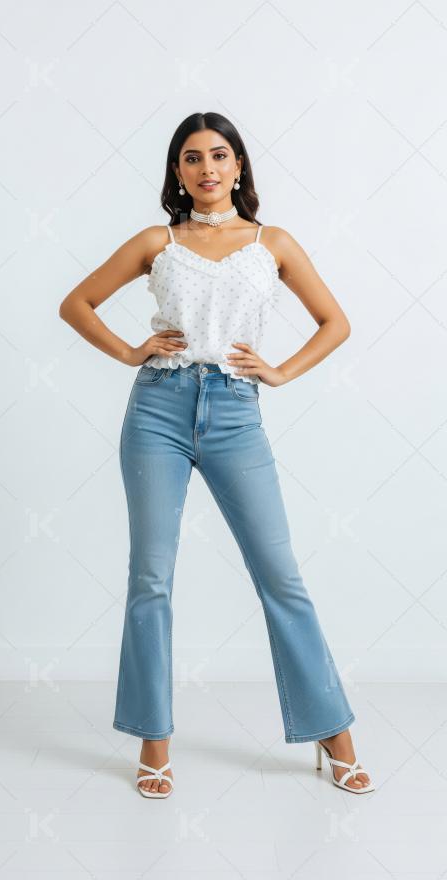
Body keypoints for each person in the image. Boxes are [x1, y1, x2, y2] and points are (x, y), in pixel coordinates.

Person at [59, 111, 375, 798]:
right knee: (152, 578)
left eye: (220, 156)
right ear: (178, 171)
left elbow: (336, 321)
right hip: (157, 411)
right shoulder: (156, 241)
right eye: (193, 158)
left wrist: (282, 371)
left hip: (235, 412)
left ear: (239, 168)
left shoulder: (272, 243)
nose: (207, 169)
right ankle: (153, 741)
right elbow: (77, 303)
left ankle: (334, 733)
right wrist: (129, 350)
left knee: (280, 576)